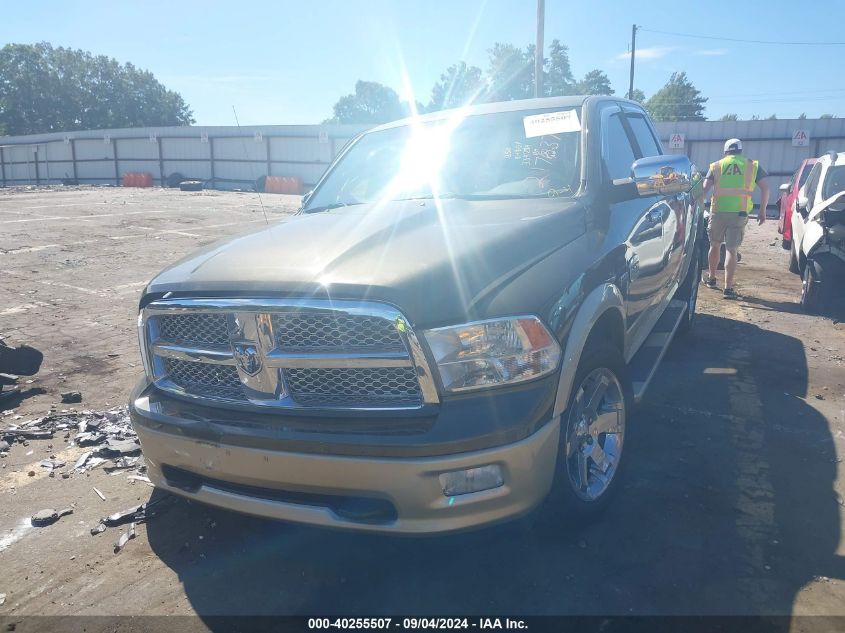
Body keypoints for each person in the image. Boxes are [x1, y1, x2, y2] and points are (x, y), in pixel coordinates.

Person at [699, 138, 770, 299]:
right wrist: (763, 210)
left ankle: (711, 279)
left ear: (726, 151)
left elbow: (704, 188)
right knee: (732, 249)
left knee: (714, 245)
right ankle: (728, 288)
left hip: (718, 211)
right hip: (739, 213)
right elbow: (766, 187)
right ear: (740, 151)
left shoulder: (716, 165)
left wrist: (698, 207)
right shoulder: (752, 165)